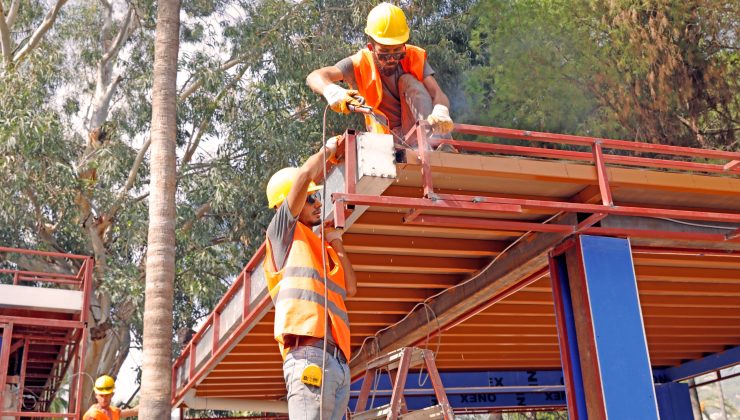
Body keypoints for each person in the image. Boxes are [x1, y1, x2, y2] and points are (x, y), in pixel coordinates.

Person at [263, 136, 357, 419]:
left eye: (317, 196)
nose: (317, 202)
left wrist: (336, 241)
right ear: (287, 203)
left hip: (338, 364)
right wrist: (327, 151)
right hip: (308, 357)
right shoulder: (281, 236)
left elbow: (350, 287)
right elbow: (303, 176)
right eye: (311, 197)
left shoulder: (320, 247)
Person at [307, 2, 454, 142]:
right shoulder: (359, 63)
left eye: (397, 52)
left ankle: (439, 145)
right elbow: (315, 77)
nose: (391, 59)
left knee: (408, 80)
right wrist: (333, 92)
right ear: (371, 48)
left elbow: (438, 94)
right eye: (384, 53)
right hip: (385, 139)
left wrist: (441, 110)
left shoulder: (413, 57)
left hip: (416, 132)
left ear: (403, 45)